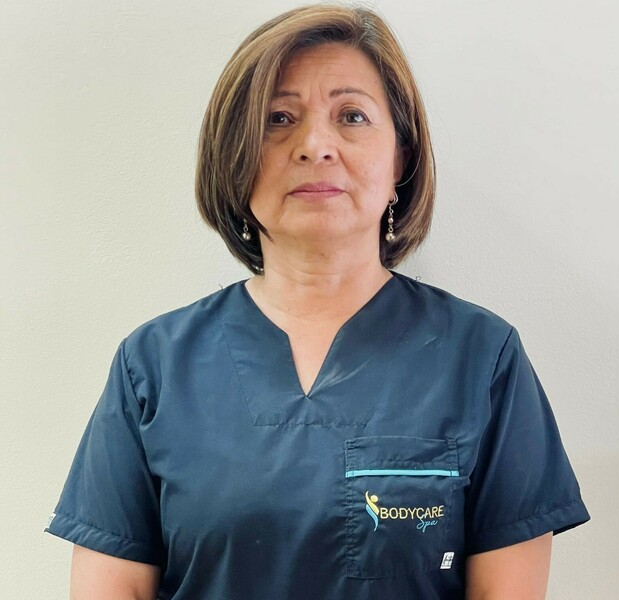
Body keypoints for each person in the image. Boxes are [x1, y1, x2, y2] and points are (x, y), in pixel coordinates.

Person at [44, 4, 590, 599]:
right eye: (278, 119)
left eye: (351, 116)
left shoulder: (482, 358)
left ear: (401, 157)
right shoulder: (152, 365)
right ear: (234, 157)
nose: (315, 145)